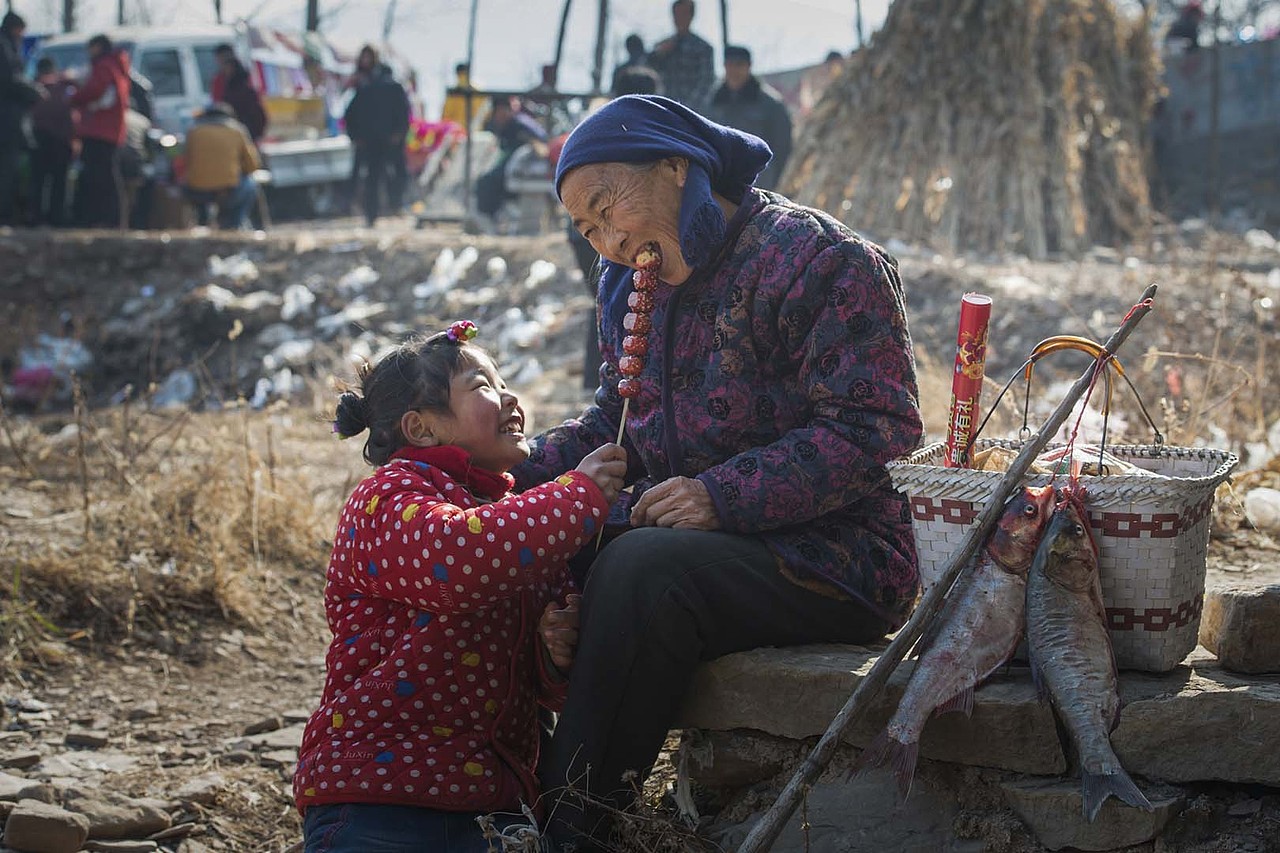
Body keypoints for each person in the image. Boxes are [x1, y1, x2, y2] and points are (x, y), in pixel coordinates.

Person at [516, 95, 922, 850]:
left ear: (678, 166)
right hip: (703, 542)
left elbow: (878, 434)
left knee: (642, 567)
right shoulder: (632, 285)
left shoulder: (818, 259)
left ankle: (574, 827)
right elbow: (618, 421)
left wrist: (720, 495)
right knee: (524, 539)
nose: (607, 242)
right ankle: (475, 796)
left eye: (608, 209)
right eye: (588, 229)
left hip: (837, 553)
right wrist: (508, 478)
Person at [293, 322, 628, 853]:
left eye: (502, 381)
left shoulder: (511, 521)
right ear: (422, 429)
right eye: (482, 386)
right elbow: (458, 562)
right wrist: (578, 495)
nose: (510, 397)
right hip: (379, 797)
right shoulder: (386, 497)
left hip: (491, 805)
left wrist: (552, 651)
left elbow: (544, 687)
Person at [704, 45, 793, 191]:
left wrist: (773, 180)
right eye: (730, 65)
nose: (734, 71)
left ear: (749, 66)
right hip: (721, 184)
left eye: (739, 65)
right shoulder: (712, 103)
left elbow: (783, 146)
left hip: (759, 186)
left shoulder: (770, 104)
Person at [71, 34, 130, 229]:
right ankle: (111, 219)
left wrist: (75, 97)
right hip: (111, 130)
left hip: (100, 130)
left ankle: (104, 218)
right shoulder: (117, 66)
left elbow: (94, 90)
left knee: (100, 176)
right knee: (107, 175)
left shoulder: (104, 66)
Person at [344, 63, 410, 226]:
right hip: (388, 142)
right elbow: (404, 114)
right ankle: (394, 207)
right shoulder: (393, 88)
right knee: (393, 175)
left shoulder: (366, 88)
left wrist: (357, 136)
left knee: (372, 179)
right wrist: (398, 134)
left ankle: (373, 214)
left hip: (371, 142)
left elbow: (349, 115)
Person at [182, 102, 260, 229]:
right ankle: (234, 224)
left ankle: (203, 219)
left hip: (197, 191)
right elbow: (252, 166)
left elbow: (185, 161)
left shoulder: (193, 131)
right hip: (228, 191)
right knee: (250, 185)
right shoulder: (237, 130)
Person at [475, 95, 546, 227]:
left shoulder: (519, 124)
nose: (497, 116)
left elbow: (541, 148)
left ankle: (488, 219)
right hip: (515, 168)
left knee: (486, 182)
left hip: (526, 171)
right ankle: (491, 217)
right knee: (486, 180)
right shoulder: (508, 124)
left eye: (499, 111)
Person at [0, 12, 39, 226]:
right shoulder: (4, 47)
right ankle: (5, 214)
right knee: (7, 169)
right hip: (7, 122)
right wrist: (34, 91)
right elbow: (9, 79)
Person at [31, 57, 76, 227]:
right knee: (59, 182)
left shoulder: (33, 88)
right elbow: (71, 118)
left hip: (39, 139)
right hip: (60, 141)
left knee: (38, 181)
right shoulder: (64, 88)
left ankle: (36, 218)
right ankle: (57, 218)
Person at [646, 0, 715, 111]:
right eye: (677, 14)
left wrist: (687, 109)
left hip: (693, 111)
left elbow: (706, 82)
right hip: (664, 109)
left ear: (692, 16)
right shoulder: (661, 46)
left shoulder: (703, 48)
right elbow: (646, 74)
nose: (680, 18)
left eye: (684, 14)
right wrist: (658, 55)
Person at [211, 44, 268, 144]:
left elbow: (257, 112)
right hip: (228, 130)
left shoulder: (246, 85)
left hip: (246, 131)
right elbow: (218, 104)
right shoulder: (219, 81)